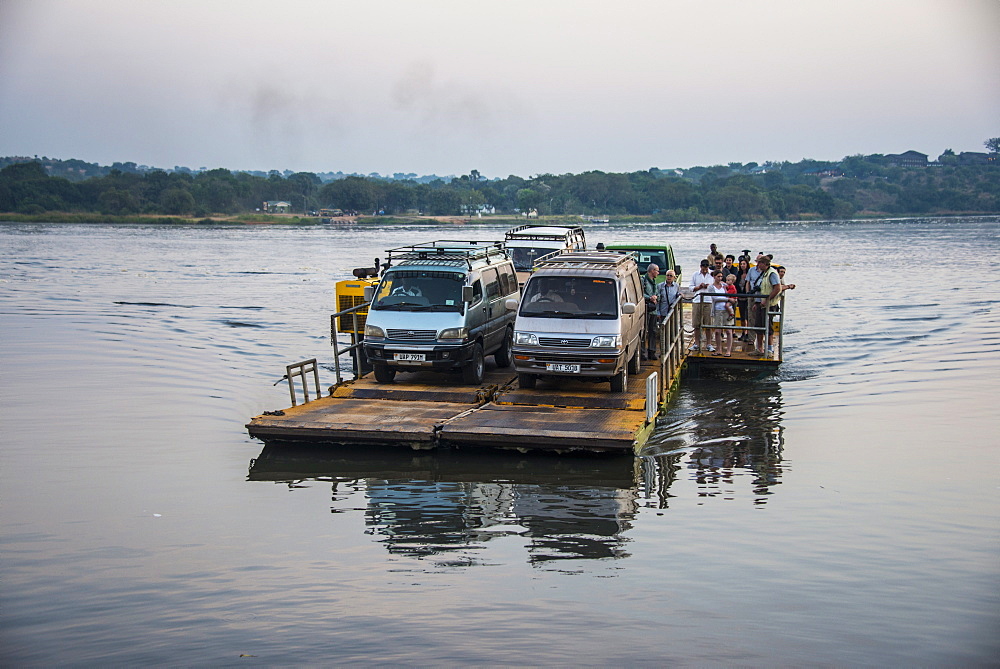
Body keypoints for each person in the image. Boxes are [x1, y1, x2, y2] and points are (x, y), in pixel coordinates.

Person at [751, 256, 781, 356]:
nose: (758, 265)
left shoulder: (772, 273)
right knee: (758, 326)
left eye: (759, 263)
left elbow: (777, 288)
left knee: (768, 326)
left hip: (769, 305)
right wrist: (757, 302)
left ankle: (770, 349)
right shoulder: (764, 273)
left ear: (764, 263)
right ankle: (759, 348)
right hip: (761, 303)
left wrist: (767, 299)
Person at [689, 259, 714, 351]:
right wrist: (699, 287)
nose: (705, 269)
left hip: (709, 300)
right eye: (703, 267)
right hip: (697, 300)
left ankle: (709, 344)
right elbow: (690, 287)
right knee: (696, 323)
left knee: (708, 323)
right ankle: (697, 343)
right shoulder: (695, 274)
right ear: (700, 266)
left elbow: (716, 286)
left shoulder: (712, 274)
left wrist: (708, 286)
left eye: (706, 267)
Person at [708, 271, 732, 356]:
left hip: (726, 309)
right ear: (714, 277)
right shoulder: (711, 287)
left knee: (728, 330)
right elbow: (715, 298)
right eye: (718, 276)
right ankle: (719, 349)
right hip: (717, 309)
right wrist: (727, 300)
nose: (720, 278)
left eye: (721, 276)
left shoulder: (725, 285)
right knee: (717, 331)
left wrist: (729, 300)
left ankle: (728, 350)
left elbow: (730, 293)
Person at [641, 263, 660, 359]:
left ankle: (652, 351)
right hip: (645, 309)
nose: (658, 272)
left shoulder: (654, 282)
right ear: (652, 271)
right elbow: (640, 293)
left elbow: (658, 294)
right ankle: (642, 352)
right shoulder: (643, 280)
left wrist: (656, 297)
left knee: (653, 330)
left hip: (653, 311)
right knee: (644, 331)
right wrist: (649, 298)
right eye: (657, 270)